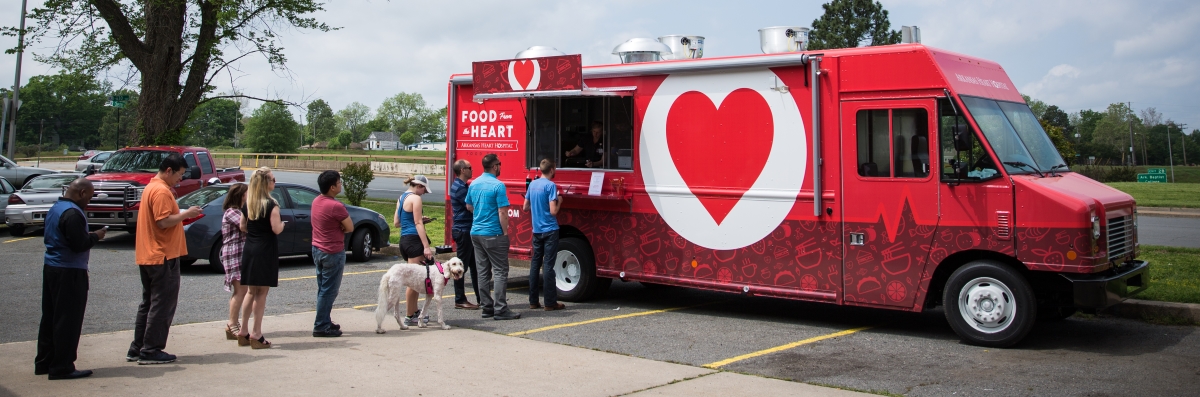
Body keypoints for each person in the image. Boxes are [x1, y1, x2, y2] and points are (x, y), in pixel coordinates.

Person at [129, 153, 201, 365]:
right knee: (162, 304)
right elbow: (163, 222)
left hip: (149, 254)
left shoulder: (151, 187)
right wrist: (185, 214)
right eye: (179, 174)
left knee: (149, 303)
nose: (181, 179)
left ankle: (138, 347)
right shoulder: (160, 191)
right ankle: (151, 349)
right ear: (168, 170)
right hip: (162, 254)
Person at [36, 178, 106, 380]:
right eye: (90, 198)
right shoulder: (73, 214)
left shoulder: (56, 208)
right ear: (82, 193)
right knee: (68, 319)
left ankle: (45, 361)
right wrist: (96, 236)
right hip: (69, 270)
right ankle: (62, 366)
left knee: (50, 317)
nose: (89, 202)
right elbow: (79, 243)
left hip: (52, 267)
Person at [465, 154, 520, 320]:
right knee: (500, 271)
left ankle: (486, 306)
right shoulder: (498, 185)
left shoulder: (473, 183)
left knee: (482, 272)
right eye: (500, 165)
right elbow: (502, 211)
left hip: (476, 232)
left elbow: (469, 206)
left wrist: (480, 215)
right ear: (495, 166)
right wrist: (504, 231)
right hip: (494, 233)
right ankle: (501, 309)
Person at [239, 167, 285, 349]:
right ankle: (256, 334)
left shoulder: (249, 204)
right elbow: (276, 229)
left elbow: (243, 226)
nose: (275, 182)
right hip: (265, 249)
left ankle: (243, 331)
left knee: (251, 291)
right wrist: (282, 225)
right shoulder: (271, 205)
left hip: (250, 248)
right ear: (266, 183)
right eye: (273, 179)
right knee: (262, 292)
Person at [311, 170, 354, 337]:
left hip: (317, 249)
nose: (340, 185)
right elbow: (349, 227)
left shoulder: (316, 201)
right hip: (332, 251)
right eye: (339, 182)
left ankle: (325, 319)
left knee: (323, 287)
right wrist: (341, 227)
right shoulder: (336, 206)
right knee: (329, 290)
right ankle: (321, 325)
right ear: (332, 187)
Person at [523, 159, 566, 311]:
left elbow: (525, 207)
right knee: (548, 265)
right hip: (550, 229)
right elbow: (553, 211)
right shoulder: (550, 186)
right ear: (552, 169)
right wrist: (560, 201)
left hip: (537, 230)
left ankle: (533, 301)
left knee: (535, 264)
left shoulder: (533, 184)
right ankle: (550, 302)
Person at [394, 174, 434, 326]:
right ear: (419, 186)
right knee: (414, 280)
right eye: (424, 190)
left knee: (414, 278)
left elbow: (397, 222)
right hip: (414, 241)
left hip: (404, 240)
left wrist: (418, 220)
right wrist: (426, 246)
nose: (424, 193)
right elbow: (417, 223)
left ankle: (414, 311)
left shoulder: (402, 198)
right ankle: (410, 315)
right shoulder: (416, 199)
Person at [220, 184, 251, 343]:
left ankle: (234, 323)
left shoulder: (238, 211)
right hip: (234, 252)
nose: (249, 196)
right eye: (247, 193)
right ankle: (231, 323)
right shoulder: (232, 212)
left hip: (241, 252)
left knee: (243, 289)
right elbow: (245, 226)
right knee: (240, 290)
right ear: (241, 195)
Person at [449, 160, 480, 310]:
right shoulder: (460, 188)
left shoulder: (461, 186)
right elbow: (470, 206)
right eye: (469, 168)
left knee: (475, 266)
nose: (472, 170)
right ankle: (460, 299)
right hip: (464, 230)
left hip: (466, 229)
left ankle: (481, 298)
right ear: (462, 170)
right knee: (461, 267)